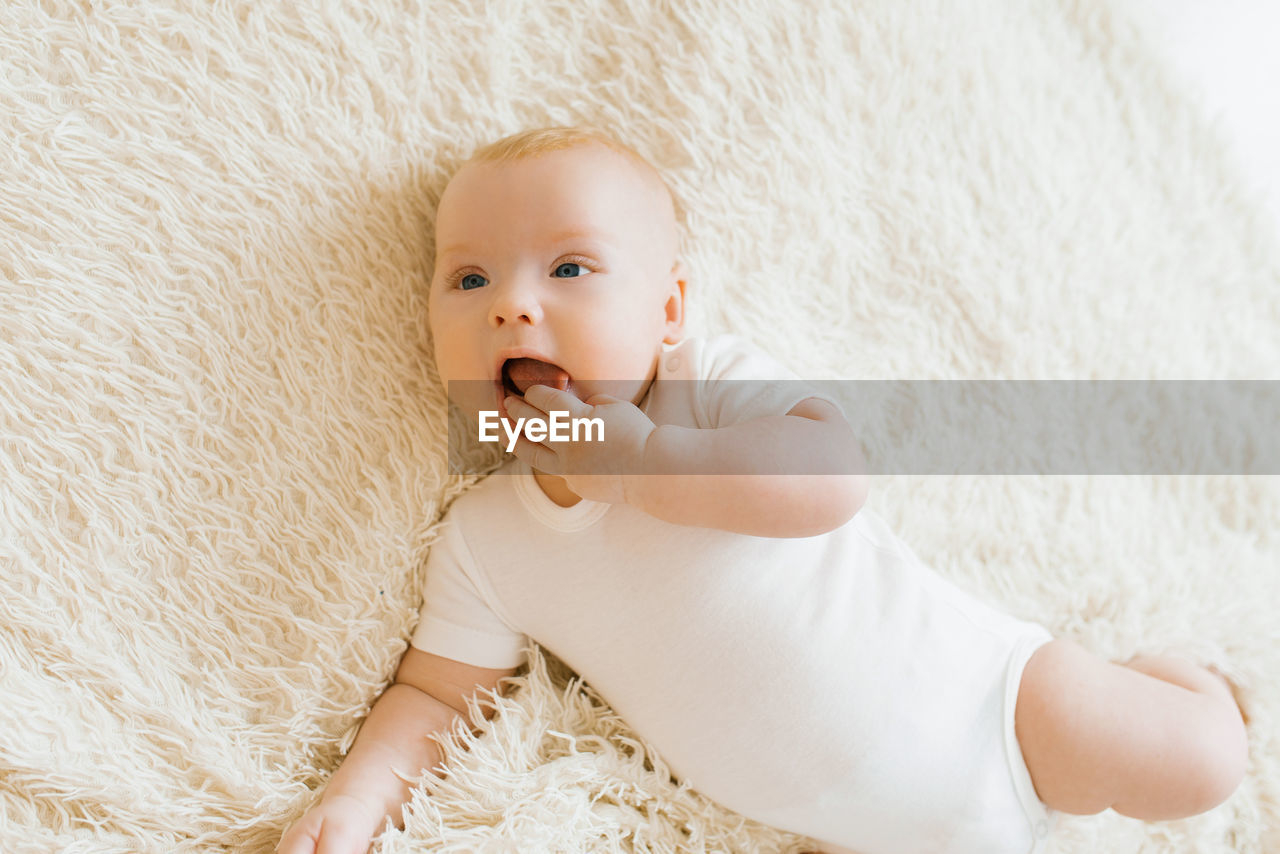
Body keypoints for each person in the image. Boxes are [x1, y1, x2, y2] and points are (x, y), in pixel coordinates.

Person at [277, 127, 1249, 854]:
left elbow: (830, 479)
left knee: (1197, 762)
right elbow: (436, 691)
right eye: (468, 277)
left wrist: (642, 461)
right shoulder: (486, 539)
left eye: (569, 266)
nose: (512, 302)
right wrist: (358, 795)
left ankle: (1173, 672)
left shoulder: (706, 389)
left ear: (667, 311)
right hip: (857, 828)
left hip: (990, 705)